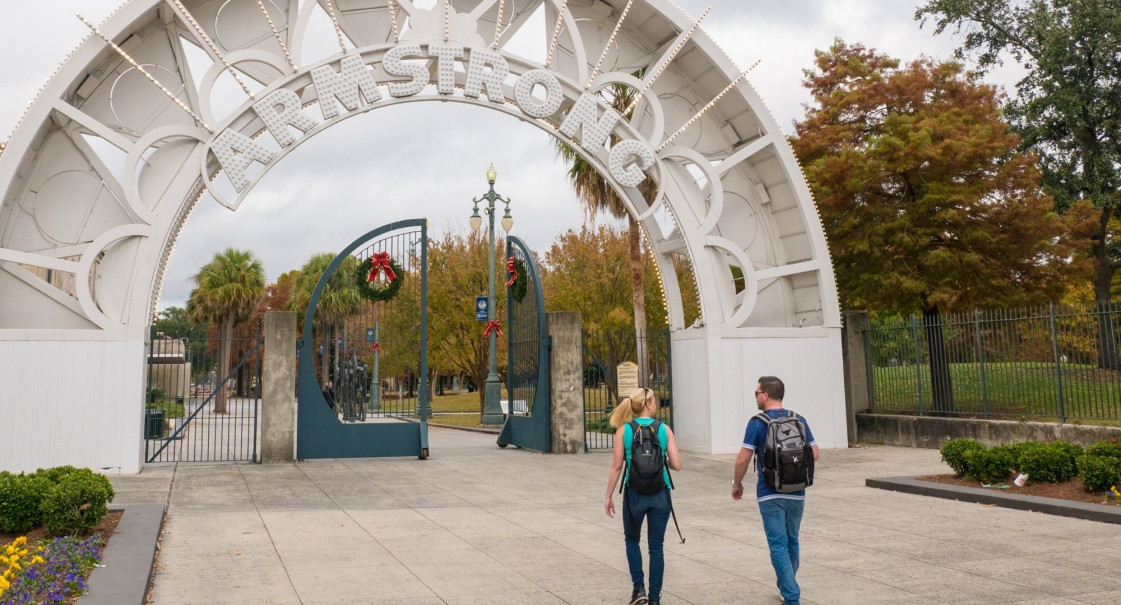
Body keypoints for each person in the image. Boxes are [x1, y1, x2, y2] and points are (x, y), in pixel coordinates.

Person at [731, 376, 819, 605]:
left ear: (766, 395)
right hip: (797, 491)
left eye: (756, 393)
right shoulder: (798, 419)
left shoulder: (758, 422)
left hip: (770, 493)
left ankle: (792, 596)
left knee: (778, 545)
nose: (756, 397)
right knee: (792, 541)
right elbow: (815, 453)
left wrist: (736, 484)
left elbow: (743, 459)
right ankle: (785, 586)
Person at [604, 387, 682, 605]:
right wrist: (661, 462)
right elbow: (677, 464)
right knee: (656, 546)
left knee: (632, 540)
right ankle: (655, 599)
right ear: (647, 405)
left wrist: (609, 496)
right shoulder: (664, 429)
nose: (656, 403)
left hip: (634, 493)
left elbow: (616, 467)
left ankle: (639, 590)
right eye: (654, 401)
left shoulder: (624, 430)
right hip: (660, 493)